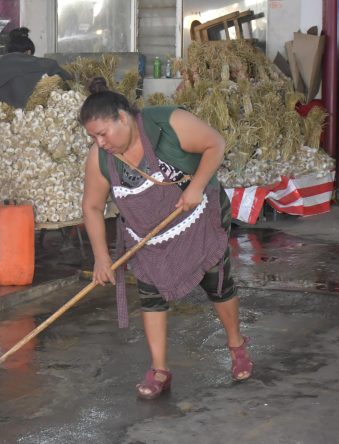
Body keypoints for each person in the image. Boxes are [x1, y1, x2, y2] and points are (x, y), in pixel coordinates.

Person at [80, 77, 252, 400]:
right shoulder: (101, 158)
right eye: (93, 137)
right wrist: (101, 257)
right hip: (148, 238)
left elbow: (215, 142)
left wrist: (196, 186)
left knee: (218, 283)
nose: (100, 143)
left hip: (196, 217)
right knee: (151, 295)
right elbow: (91, 206)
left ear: (123, 116)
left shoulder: (168, 122)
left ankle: (236, 344)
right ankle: (159, 369)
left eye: (103, 134)